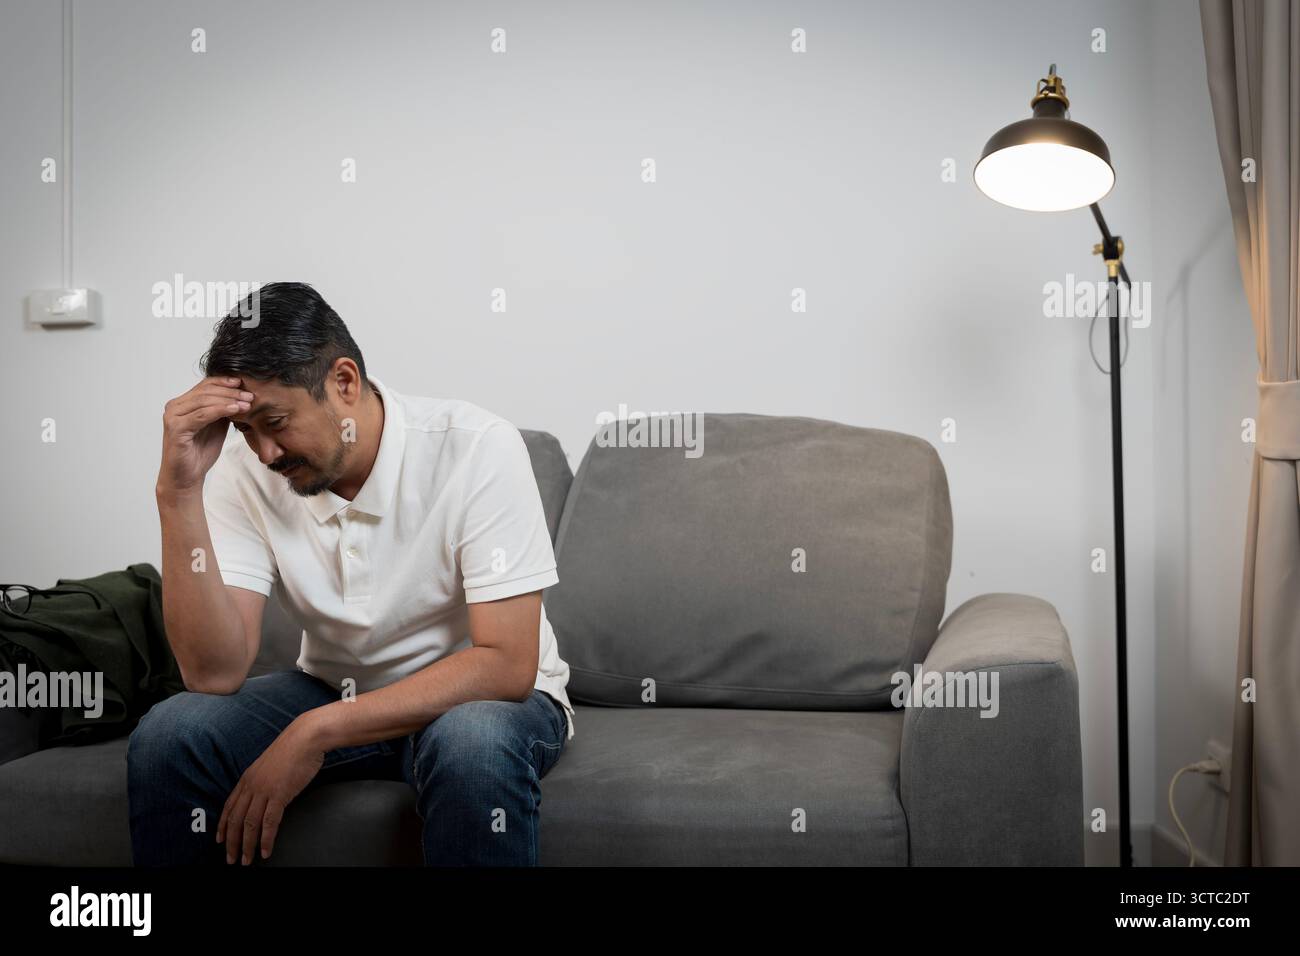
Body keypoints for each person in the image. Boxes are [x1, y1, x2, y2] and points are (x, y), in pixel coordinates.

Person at [129, 281, 573, 866]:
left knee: (472, 746)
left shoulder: (478, 447)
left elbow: (506, 663)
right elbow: (214, 673)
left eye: (276, 421)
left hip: (475, 700)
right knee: (170, 735)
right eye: (246, 430)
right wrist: (178, 491)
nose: (264, 453)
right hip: (334, 684)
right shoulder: (245, 471)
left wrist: (315, 731)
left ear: (344, 382)